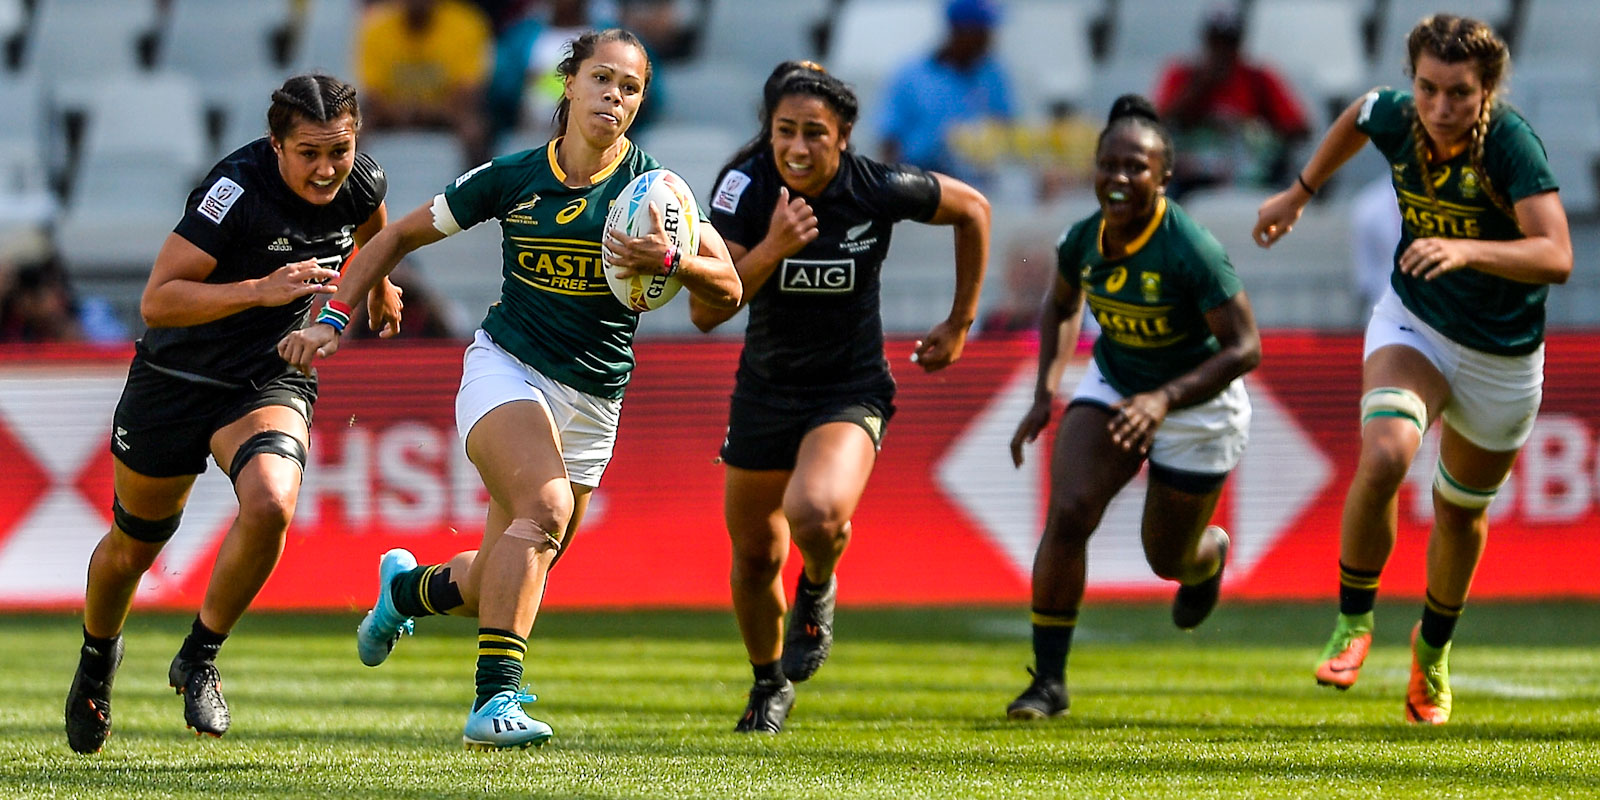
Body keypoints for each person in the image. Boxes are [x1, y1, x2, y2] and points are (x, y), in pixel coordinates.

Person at [278, 29, 741, 751]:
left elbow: (730, 289)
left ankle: (404, 592)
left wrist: (673, 261)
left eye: (630, 87)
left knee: (495, 580)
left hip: (595, 403)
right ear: (569, 84)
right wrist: (334, 317)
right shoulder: (515, 176)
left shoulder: (657, 191)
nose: (613, 96)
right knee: (545, 509)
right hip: (508, 369)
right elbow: (394, 237)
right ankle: (494, 701)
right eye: (601, 79)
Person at [64, 74, 402, 754]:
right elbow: (158, 301)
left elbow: (375, 230)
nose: (327, 169)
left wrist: (380, 284)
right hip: (176, 380)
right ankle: (97, 662)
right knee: (134, 547)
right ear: (276, 145)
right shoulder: (234, 192)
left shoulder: (361, 181)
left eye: (339, 150)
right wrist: (260, 290)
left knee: (271, 503)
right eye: (308, 153)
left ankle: (200, 656)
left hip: (266, 376)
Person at [1253, 14, 1570, 725]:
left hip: (1502, 357)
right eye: (1427, 88)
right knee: (1386, 454)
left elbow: (1557, 254)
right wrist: (1299, 191)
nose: (1439, 106)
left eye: (1458, 93)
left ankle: (1432, 650)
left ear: (1486, 91)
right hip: (1416, 323)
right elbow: (1360, 113)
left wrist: (1468, 250)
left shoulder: (1510, 145)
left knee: (1459, 512)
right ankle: (1352, 621)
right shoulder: (1399, 117)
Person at [693, 64, 991, 734]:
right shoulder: (744, 187)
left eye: (814, 134)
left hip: (849, 389)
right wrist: (775, 246)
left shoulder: (875, 186)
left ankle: (818, 585)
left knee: (816, 512)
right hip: (765, 391)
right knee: (755, 556)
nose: (797, 147)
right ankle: (768, 685)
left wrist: (960, 322)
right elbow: (706, 312)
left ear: (845, 136)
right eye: (785, 131)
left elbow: (973, 209)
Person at [1005, 94, 1261, 720]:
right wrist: (1044, 394)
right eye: (1109, 165)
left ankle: (1206, 560)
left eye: (1136, 167)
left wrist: (1165, 398)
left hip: (1198, 405)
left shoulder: (1190, 248)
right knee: (1069, 511)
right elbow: (1060, 305)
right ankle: (1048, 683)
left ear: (1163, 177)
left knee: (1166, 558)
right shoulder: (1081, 240)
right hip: (1116, 384)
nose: (1119, 178)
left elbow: (1245, 347)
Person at [1152, 6, 1311, 198]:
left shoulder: (1258, 79)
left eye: (1228, 43)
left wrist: (1250, 128)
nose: (1222, 51)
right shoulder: (1182, 74)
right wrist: (1200, 87)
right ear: (1206, 41)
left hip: (1249, 178)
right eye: (1216, 42)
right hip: (1189, 181)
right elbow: (1157, 124)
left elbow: (1300, 129)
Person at [877, 0, 1015, 186]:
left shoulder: (993, 76)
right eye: (981, 32)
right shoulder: (912, 75)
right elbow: (889, 139)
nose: (989, 40)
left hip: (977, 185)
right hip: (919, 182)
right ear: (959, 30)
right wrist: (890, 188)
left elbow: (1007, 127)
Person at [356, 0, 494, 165]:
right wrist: (404, 111)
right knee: (352, 129)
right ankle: (349, 179)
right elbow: (373, 94)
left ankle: (477, 178)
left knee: (473, 128)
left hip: (447, 112)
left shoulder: (466, 24)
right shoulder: (377, 27)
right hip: (391, 112)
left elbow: (467, 91)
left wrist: (426, 111)